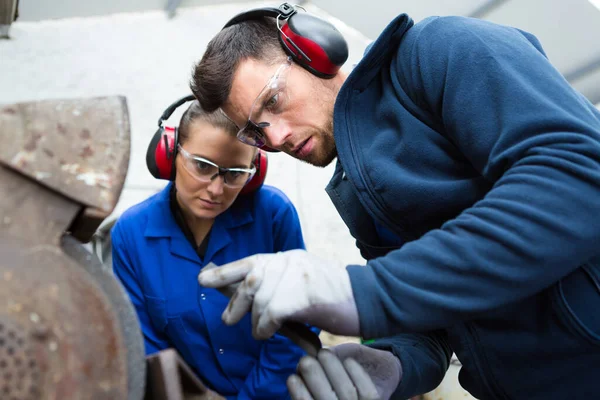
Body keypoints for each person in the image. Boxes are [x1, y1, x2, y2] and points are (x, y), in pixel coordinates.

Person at [192, 3, 600, 400]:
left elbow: (577, 179)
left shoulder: (438, 51)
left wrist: (363, 293)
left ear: (314, 50)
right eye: (256, 132)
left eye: (274, 101)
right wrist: (393, 362)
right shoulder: (354, 189)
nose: (276, 139)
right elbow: (434, 317)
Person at [111, 98, 312, 399]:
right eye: (202, 166)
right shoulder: (130, 234)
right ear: (170, 154)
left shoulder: (274, 215)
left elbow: (298, 325)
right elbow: (145, 346)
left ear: (254, 172)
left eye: (235, 173)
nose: (216, 189)